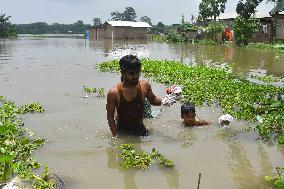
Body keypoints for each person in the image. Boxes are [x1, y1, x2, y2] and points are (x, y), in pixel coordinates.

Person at [106, 55, 163, 137]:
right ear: (123, 73)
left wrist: (166, 101)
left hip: (141, 131)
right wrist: (116, 137)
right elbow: (110, 118)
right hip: (123, 133)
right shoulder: (114, 93)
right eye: (132, 73)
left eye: (138, 72)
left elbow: (153, 100)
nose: (136, 76)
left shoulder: (144, 85)